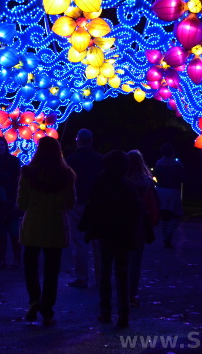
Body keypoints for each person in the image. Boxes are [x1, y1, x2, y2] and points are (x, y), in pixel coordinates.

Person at [79, 150, 144, 328]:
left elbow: (92, 206)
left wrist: (86, 227)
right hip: (123, 235)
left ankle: (106, 311)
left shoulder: (101, 184)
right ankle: (123, 315)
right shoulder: (128, 187)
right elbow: (136, 212)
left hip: (106, 233)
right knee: (122, 274)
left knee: (105, 273)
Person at [18, 136, 76, 325]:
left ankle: (34, 299)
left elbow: (22, 203)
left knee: (30, 265)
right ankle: (48, 307)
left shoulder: (28, 173)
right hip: (55, 225)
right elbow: (70, 203)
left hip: (33, 224)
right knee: (52, 269)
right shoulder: (67, 175)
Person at [65, 128, 103, 288]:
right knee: (98, 241)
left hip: (78, 202)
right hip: (97, 203)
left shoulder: (71, 160)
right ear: (92, 140)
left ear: (78, 140)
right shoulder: (100, 159)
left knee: (80, 240)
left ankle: (82, 277)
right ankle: (102, 277)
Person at [126, 149, 159, 307]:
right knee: (136, 262)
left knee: (121, 260)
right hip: (139, 224)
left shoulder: (122, 181)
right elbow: (152, 205)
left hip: (123, 224)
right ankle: (131, 293)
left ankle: (121, 290)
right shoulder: (147, 182)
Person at [0, 136, 21, 268]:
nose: (0, 148)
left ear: (6, 146)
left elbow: (18, 181)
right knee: (1, 231)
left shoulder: (13, 161)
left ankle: (16, 259)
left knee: (14, 230)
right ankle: (1, 259)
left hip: (11, 198)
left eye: (2, 145)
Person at [154, 143, 184, 248]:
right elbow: (181, 178)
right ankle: (168, 235)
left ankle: (165, 237)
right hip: (173, 191)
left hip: (161, 190)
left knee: (164, 215)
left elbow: (156, 175)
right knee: (176, 214)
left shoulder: (158, 163)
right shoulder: (177, 165)